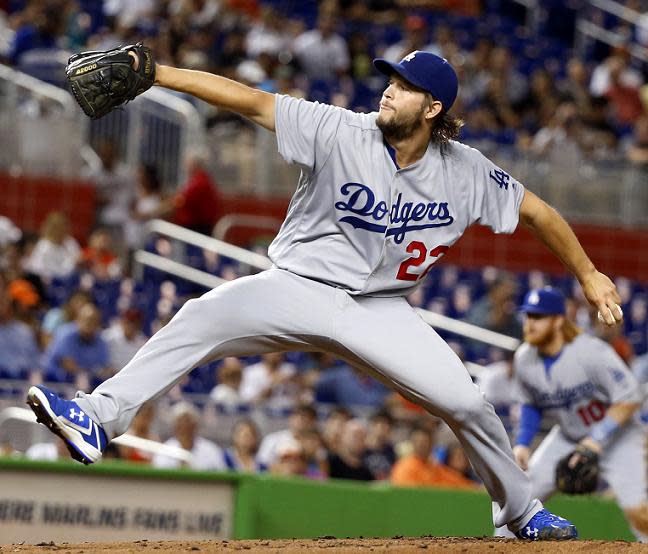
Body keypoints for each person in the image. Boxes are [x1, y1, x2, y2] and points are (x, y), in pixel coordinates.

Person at [27, 47, 627, 541]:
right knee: (199, 316)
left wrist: (588, 274)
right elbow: (251, 100)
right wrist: (158, 73)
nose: (389, 91)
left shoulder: (465, 168)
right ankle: (99, 418)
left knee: (467, 404)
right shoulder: (341, 129)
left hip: (381, 310)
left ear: (433, 108)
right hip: (297, 286)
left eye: (405, 86)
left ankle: (521, 513)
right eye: (390, 79)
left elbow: (539, 213)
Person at [495, 288, 647, 541]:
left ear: (558, 321)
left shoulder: (590, 352)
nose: (530, 324)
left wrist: (596, 439)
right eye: (528, 316)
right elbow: (530, 404)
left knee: (640, 513)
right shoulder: (524, 358)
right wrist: (522, 443)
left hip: (619, 437)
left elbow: (630, 397)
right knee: (518, 499)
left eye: (538, 317)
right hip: (568, 437)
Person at [390, 425, 478, 490]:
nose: (422, 445)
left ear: (432, 444)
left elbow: (456, 482)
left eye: (425, 442)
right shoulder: (404, 467)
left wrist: (476, 488)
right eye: (418, 441)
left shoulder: (434, 467)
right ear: (412, 443)